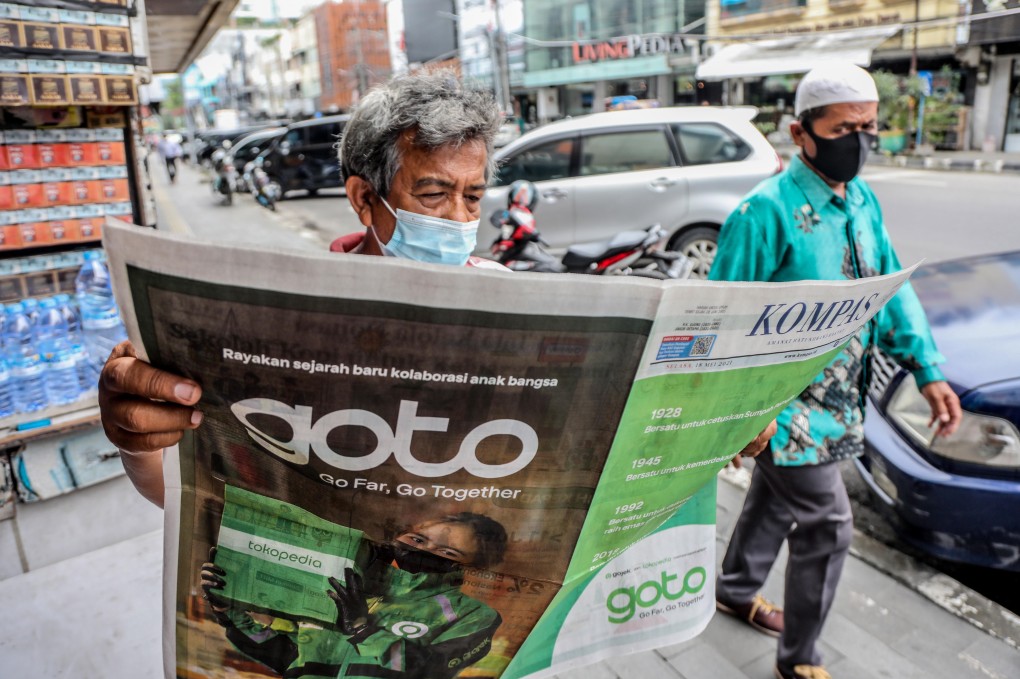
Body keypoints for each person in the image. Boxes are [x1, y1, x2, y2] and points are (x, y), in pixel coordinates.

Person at [99, 70, 775, 508]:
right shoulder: (276, 321)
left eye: (472, 196)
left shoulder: (512, 299)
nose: (457, 218)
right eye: (432, 193)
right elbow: (180, 491)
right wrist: (135, 438)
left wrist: (715, 431)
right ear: (364, 199)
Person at [708, 62, 962, 679]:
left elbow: (890, 287)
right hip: (781, 406)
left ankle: (736, 589)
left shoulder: (862, 200)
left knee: (775, 497)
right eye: (845, 127)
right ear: (801, 134)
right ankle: (799, 659)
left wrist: (926, 367)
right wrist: (734, 417)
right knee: (828, 522)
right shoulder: (762, 213)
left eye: (869, 127)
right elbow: (720, 319)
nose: (861, 141)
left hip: (843, 396)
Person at [201, 512, 507, 679]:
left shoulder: (474, 614)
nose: (423, 550)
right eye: (417, 538)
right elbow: (291, 657)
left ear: (474, 566)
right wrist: (228, 610)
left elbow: (431, 670)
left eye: (447, 551)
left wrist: (365, 629)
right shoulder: (343, 581)